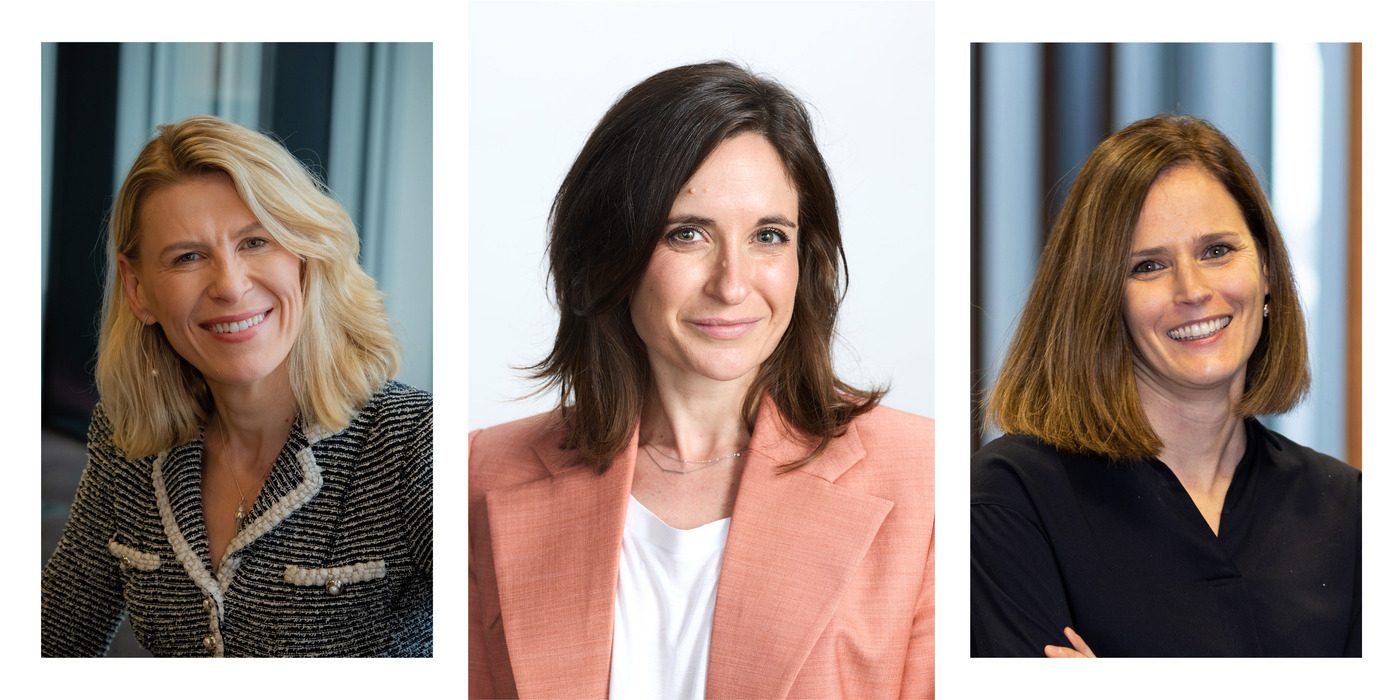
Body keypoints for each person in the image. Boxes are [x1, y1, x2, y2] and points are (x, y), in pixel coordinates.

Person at [469, 62, 933, 698]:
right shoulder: (479, 470)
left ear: (806, 260)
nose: (733, 283)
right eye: (687, 234)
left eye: (769, 236)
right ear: (612, 253)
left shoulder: (926, 478)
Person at [41, 116, 433, 657]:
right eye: (188, 257)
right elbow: (53, 639)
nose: (229, 285)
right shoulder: (127, 436)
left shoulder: (414, 443)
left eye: (255, 242)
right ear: (139, 290)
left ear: (305, 257)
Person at [971, 114, 1360, 657]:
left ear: (1267, 268)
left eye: (1217, 251)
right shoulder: (1013, 499)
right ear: (1099, 299)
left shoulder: (1350, 511)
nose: (1193, 290)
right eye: (1149, 266)